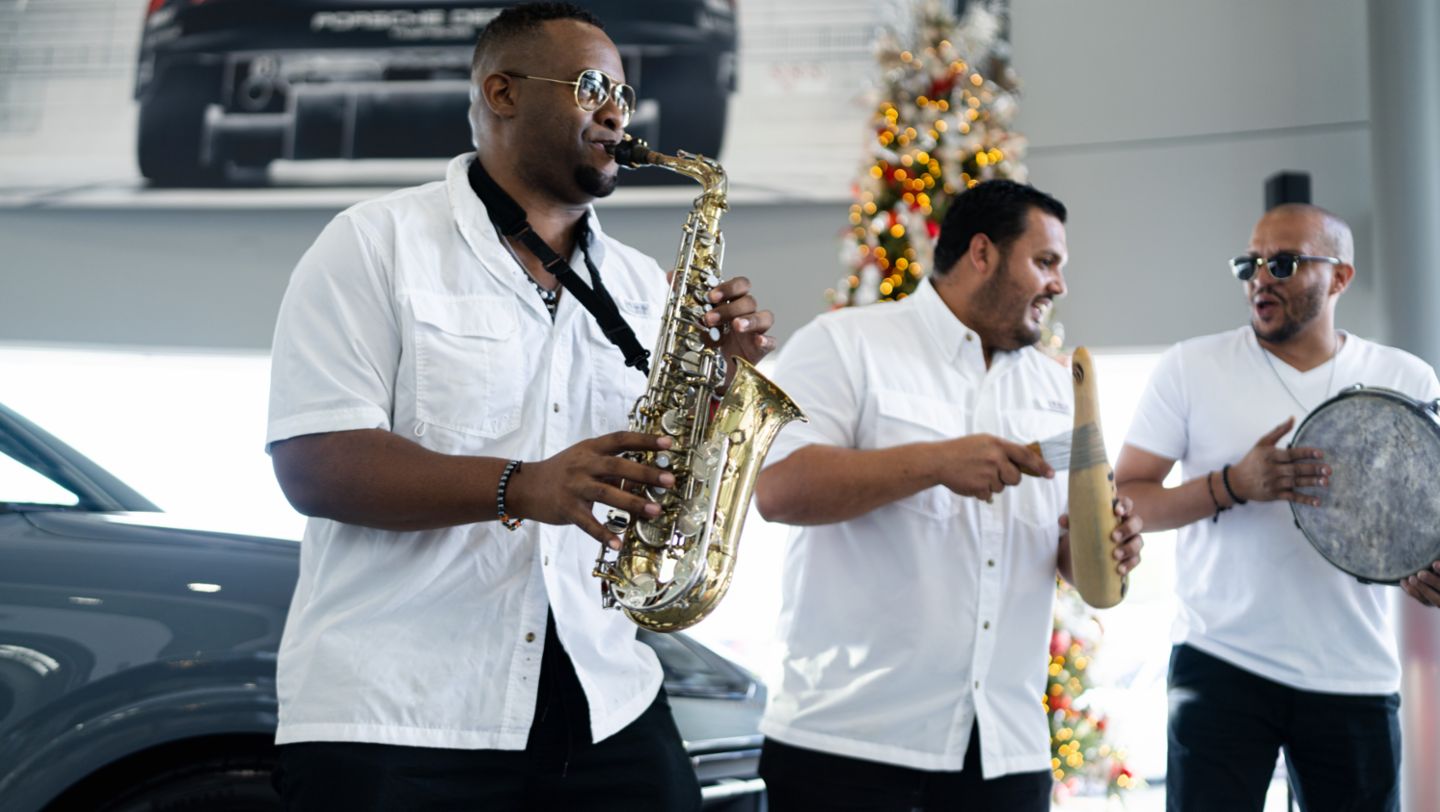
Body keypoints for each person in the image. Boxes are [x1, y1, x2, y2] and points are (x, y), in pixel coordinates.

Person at [263, 4, 776, 810]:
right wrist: (522, 484)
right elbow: (316, 464)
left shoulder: (646, 286)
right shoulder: (372, 243)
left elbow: (664, 475)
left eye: (624, 94)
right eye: (590, 87)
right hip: (398, 713)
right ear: (502, 93)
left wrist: (721, 385)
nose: (616, 111)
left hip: (605, 694)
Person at [752, 179, 1145, 812]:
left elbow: (1072, 556)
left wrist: (1106, 544)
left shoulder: (1059, 394)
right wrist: (934, 462)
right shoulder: (845, 345)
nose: (1059, 285)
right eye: (1045, 262)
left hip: (1005, 755)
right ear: (982, 254)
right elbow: (778, 489)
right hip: (849, 746)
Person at [1114, 203, 1440, 812]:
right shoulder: (1191, 366)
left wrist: (1428, 566)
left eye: (1284, 263)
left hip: (1354, 672)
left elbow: (1431, 516)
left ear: (1340, 277)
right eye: (1250, 263)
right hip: (1220, 663)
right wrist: (1232, 484)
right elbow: (1126, 498)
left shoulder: (1406, 378)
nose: (1261, 278)